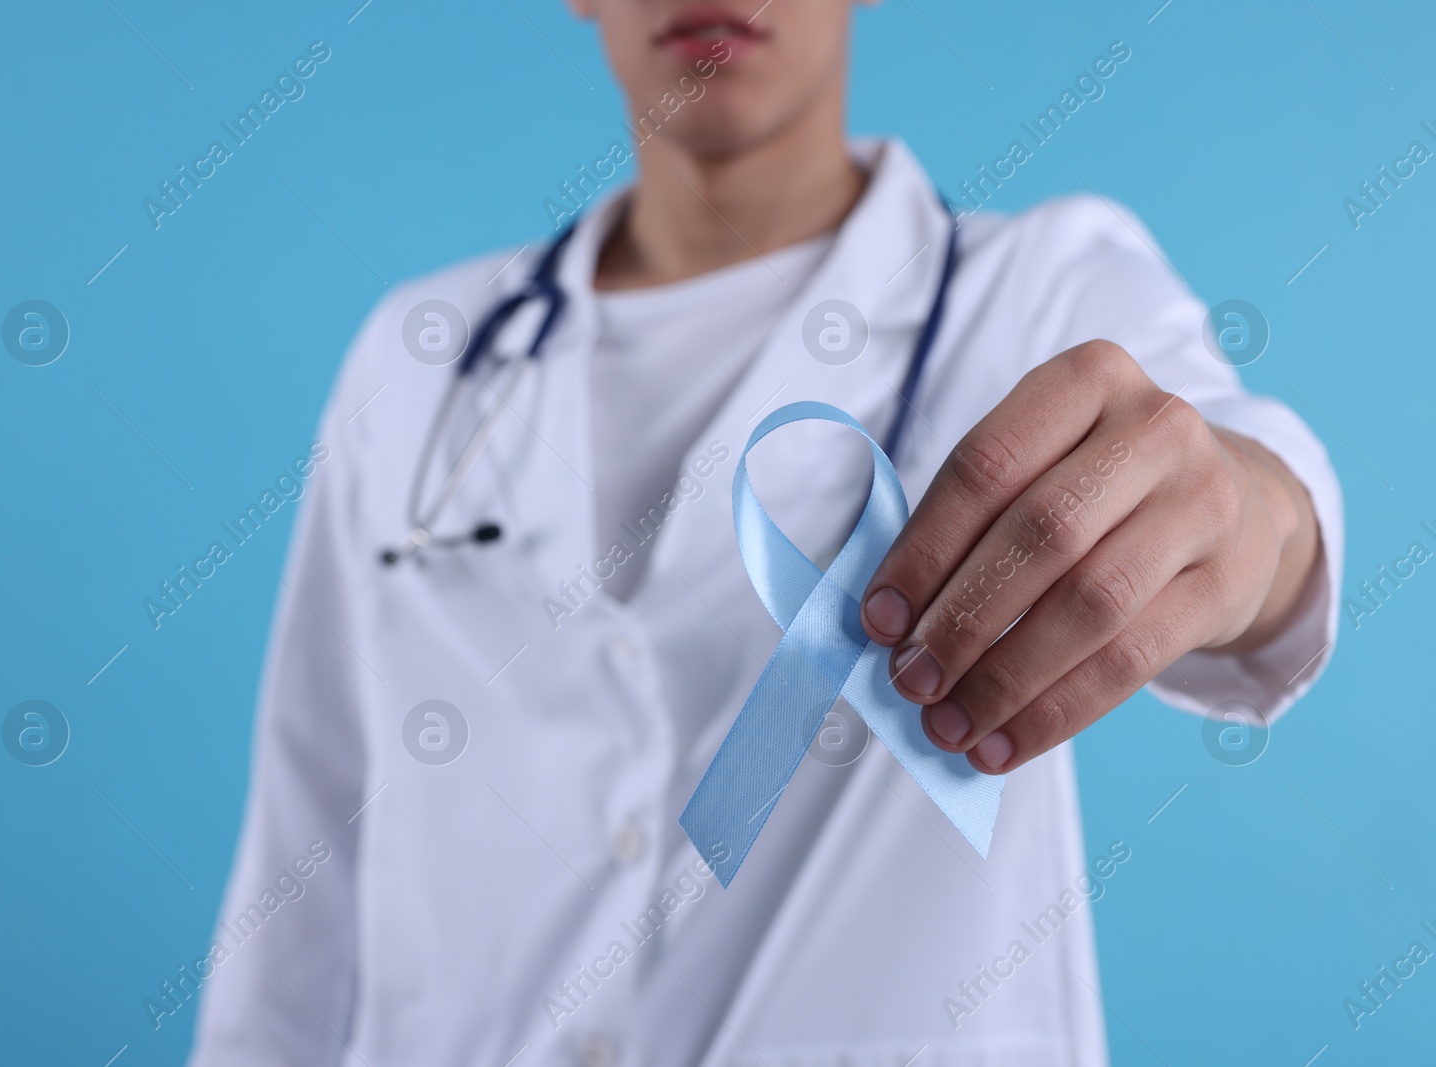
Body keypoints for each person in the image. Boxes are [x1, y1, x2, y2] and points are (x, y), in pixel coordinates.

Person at [188, 3, 1342, 1064]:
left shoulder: (1038, 288)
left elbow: (1247, 494)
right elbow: (303, 862)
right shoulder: (421, 354)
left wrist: (1242, 508)